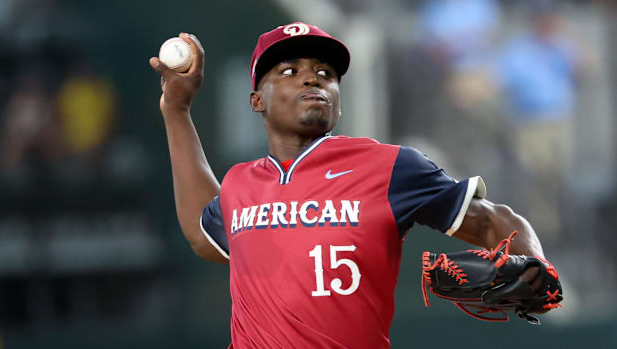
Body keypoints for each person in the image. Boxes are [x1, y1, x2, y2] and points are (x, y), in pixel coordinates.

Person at [150, 23, 550, 349]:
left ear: (338, 98)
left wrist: (535, 264)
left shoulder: (390, 166)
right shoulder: (240, 182)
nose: (312, 76)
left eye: (326, 73)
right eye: (289, 71)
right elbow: (204, 235)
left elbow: (492, 220)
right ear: (257, 100)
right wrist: (176, 109)